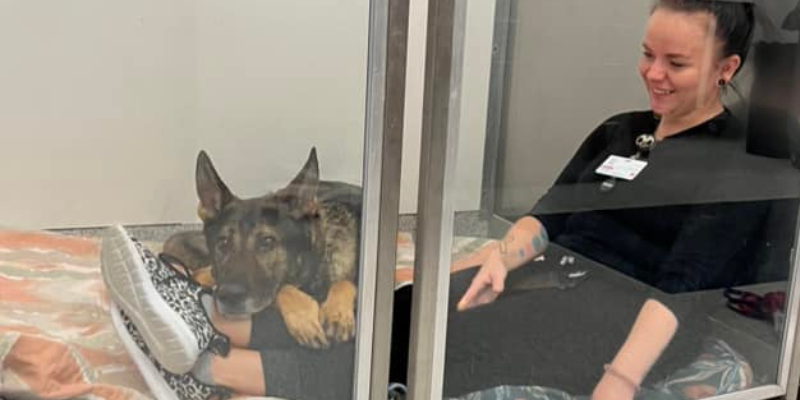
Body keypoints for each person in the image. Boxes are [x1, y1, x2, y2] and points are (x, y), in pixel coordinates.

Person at [103, 1, 762, 400]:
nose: (653, 74)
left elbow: (682, 289)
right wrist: (500, 259)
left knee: (441, 350)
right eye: (647, 55)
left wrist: (620, 380)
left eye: (676, 64)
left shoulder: (736, 162)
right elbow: (546, 217)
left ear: (726, 69)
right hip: (552, 272)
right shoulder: (622, 130)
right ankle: (209, 319)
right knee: (401, 310)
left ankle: (210, 370)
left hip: (627, 313)